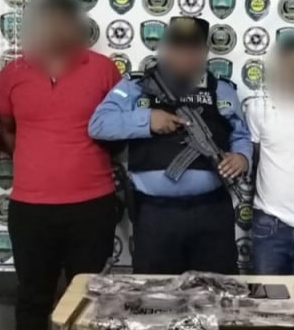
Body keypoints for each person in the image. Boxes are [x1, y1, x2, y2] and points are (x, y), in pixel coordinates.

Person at [0, 0, 121, 330]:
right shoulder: (12, 75)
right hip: (30, 207)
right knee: (32, 295)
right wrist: (39, 161)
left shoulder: (102, 70)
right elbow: (7, 129)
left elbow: (117, 129)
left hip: (92, 204)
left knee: (88, 295)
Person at [89, 16, 251, 275]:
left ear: (204, 52)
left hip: (211, 212)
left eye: (192, 49)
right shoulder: (137, 86)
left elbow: (240, 135)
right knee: (155, 292)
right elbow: (99, 124)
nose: (184, 56)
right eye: (177, 48)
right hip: (156, 214)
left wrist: (242, 157)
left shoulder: (221, 90)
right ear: (165, 49)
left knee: (217, 288)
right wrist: (147, 120)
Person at [241, 34, 294, 274]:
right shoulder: (258, 108)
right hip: (268, 224)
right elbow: (255, 158)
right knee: (265, 297)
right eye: (289, 66)